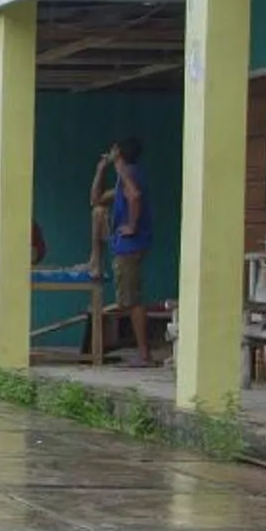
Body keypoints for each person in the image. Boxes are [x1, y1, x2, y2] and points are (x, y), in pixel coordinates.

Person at [89, 138, 153, 365]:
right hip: (124, 244)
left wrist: (132, 226)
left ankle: (144, 354)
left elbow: (134, 196)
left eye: (113, 150)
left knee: (131, 301)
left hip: (130, 245)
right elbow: (96, 199)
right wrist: (100, 170)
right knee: (97, 213)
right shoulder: (123, 177)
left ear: (119, 153)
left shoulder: (128, 174)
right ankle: (94, 260)